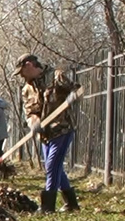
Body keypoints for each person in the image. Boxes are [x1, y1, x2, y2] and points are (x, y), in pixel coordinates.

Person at [16, 54, 81, 212]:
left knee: (53, 165)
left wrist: (73, 96)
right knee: (53, 167)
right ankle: (71, 203)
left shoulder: (56, 76)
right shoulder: (27, 89)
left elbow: (77, 89)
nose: (22, 76)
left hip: (62, 128)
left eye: (22, 71)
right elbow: (29, 111)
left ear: (29, 65)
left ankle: (47, 206)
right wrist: (33, 122)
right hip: (45, 134)